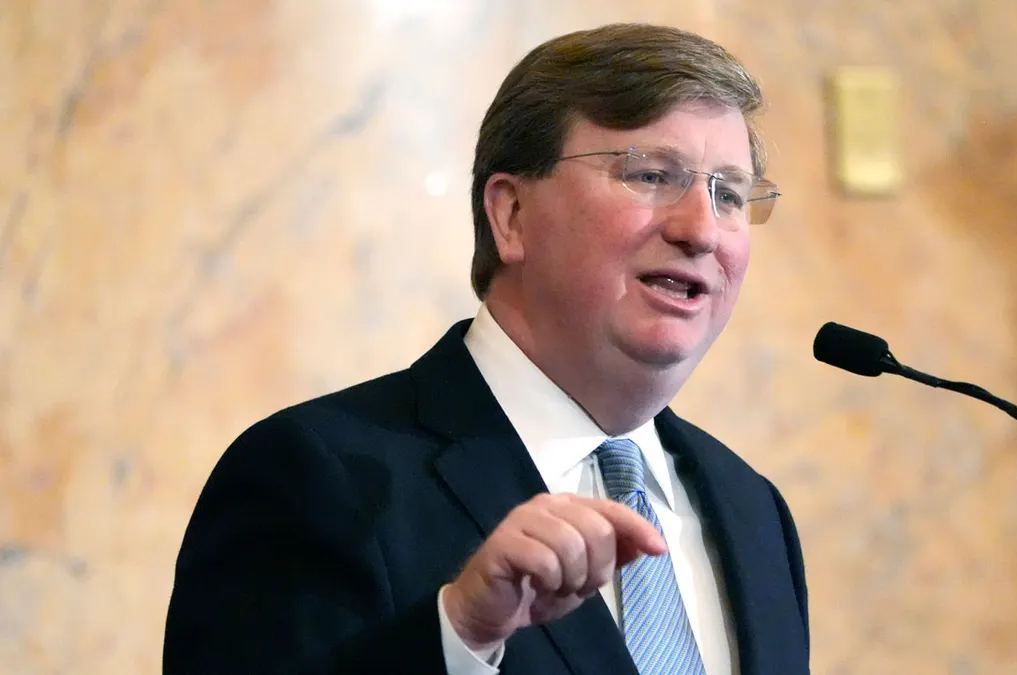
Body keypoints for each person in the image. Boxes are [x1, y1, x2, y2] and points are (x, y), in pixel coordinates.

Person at [163, 23, 809, 675]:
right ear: (511, 215)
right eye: (650, 174)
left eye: (729, 193)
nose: (700, 229)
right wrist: (459, 635)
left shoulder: (753, 511)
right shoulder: (318, 475)